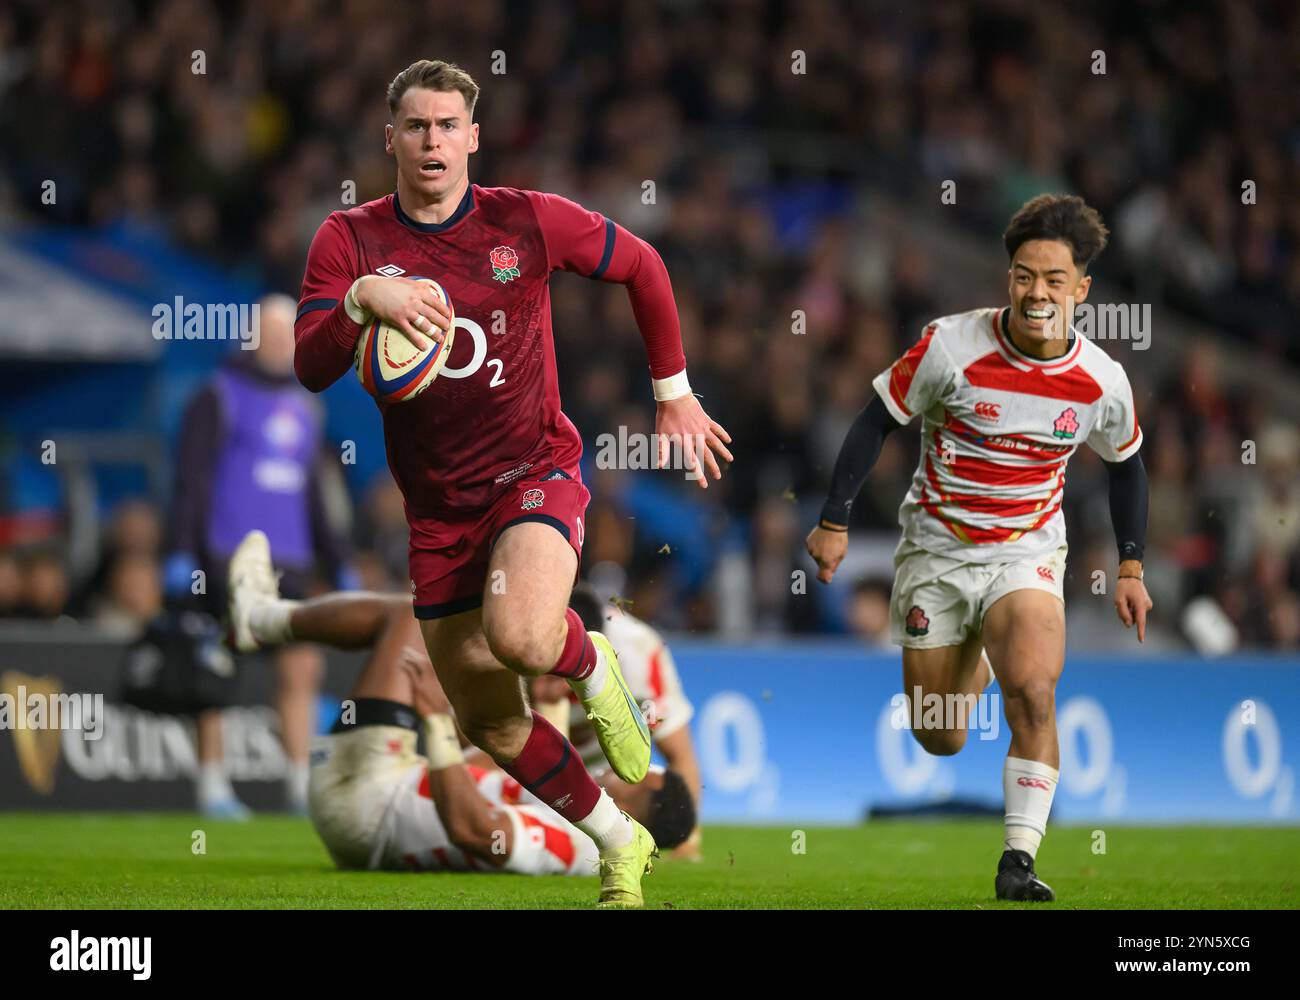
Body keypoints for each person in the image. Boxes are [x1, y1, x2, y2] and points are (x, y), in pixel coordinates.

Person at [293, 60, 731, 906]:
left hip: (534, 473)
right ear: (390, 138)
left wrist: (673, 393)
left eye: (447, 126)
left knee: (526, 636)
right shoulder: (347, 242)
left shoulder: (524, 221)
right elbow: (311, 368)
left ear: (473, 139)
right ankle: (619, 841)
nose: (432, 142)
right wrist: (360, 303)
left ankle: (593, 666)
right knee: (490, 722)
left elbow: (642, 265)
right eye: (416, 127)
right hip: (439, 513)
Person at [806, 195, 1153, 902]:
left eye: (1054, 280)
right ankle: (978, 663)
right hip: (936, 549)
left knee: (1035, 686)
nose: (1037, 292)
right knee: (941, 735)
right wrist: (834, 519)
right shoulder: (950, 347)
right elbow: (875, 422)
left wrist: (1131, 564)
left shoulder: (1101, 381)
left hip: (1027, 550)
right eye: (1025, 275)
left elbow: (1127, 465)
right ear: (1008, 279)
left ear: (1080, 291)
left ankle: (1017, 861)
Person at [225, 530, 696, 875]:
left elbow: (476, 831)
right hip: (379, 799)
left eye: (638, 774)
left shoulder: (584, 845)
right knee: (421, 625)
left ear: (647, 798)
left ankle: (263, 619)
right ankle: (262, 621)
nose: (615, 771)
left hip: (371, 805)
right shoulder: (582, 803)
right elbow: (493, 782)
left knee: (411, 616)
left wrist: (434, 725)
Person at [165, 294, 353, 818]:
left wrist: (337, 556)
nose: (279, 345)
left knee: (300, 669)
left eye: (286, 336)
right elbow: (191, 478)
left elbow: (316, 495)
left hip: (289, 560)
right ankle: (212, 786)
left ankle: (298, 783)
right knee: (215, 669)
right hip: (226, 554)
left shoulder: (306, 406)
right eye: (270, 334)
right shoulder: (217, 395)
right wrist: (182, 550)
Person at [532, 584, 703, 859]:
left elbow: (678, 753)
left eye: (554, 676)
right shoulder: (514, 627)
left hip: (604, 776)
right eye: (542, 671)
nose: (542, 691)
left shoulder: (637, 657)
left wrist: (686, 838)